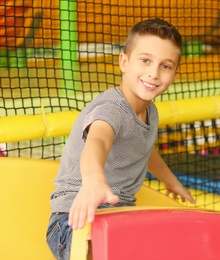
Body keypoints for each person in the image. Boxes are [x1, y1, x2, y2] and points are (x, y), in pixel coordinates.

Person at [46, 18, 195, 260]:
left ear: (175, 74)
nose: (153, 73)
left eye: (165, 66)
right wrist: (94, 180)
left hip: (119, 217)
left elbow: (142, 149)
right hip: (75, 219)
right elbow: (97, 142)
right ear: (124, 62)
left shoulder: (151, 112)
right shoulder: (111, 109)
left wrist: (170, 181)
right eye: (145, 60)